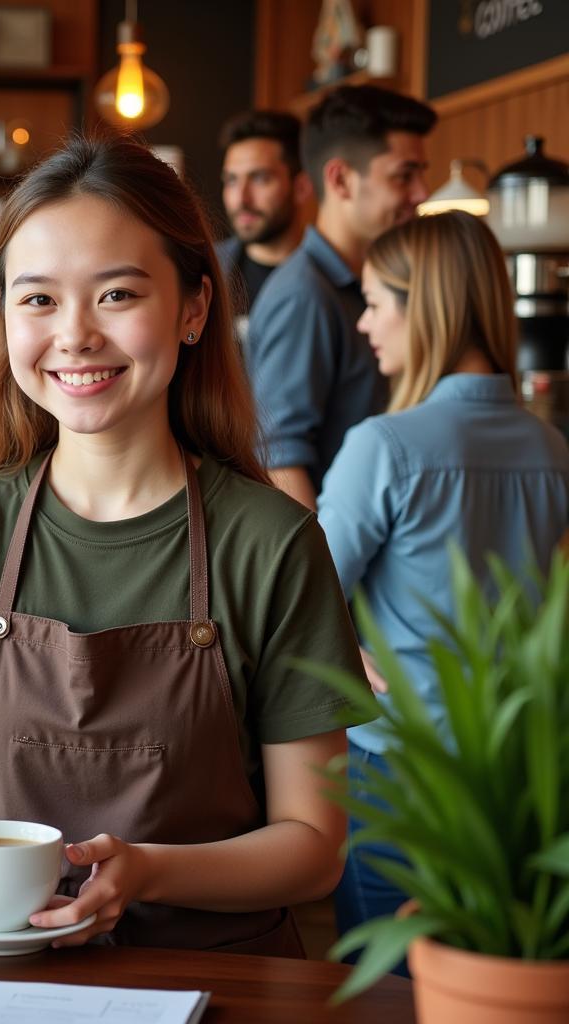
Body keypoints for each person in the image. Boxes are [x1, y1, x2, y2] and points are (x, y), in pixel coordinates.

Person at [0, 136, 376, 954]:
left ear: (195, 308)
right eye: (38, 300)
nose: (75, 335)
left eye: (117, 294)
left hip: (216, 981)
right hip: (0, 979)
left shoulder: (272, 541)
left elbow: (312, 844)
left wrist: (149, 872)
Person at [317, 211, 569, 954]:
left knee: (382, 983)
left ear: (422, 306)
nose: (365, 324)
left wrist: (338, 641)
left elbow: (300, 592)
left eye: (374, 302)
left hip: (400, 770)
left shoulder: (386, 446)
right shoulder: (550, 445)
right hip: (515, 774)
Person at [247, 85, 436, 510]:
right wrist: (323, 573)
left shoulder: (361, 286)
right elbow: (279, 459)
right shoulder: (304, 295)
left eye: (422, 173)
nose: (422, 192)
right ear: (340, 179)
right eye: (404, 176)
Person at [215, 110, 311, 322]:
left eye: (260, 179)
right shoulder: (204, 269)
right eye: (231, 180)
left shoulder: (329, 280)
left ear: (302, 187)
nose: (241, 198)